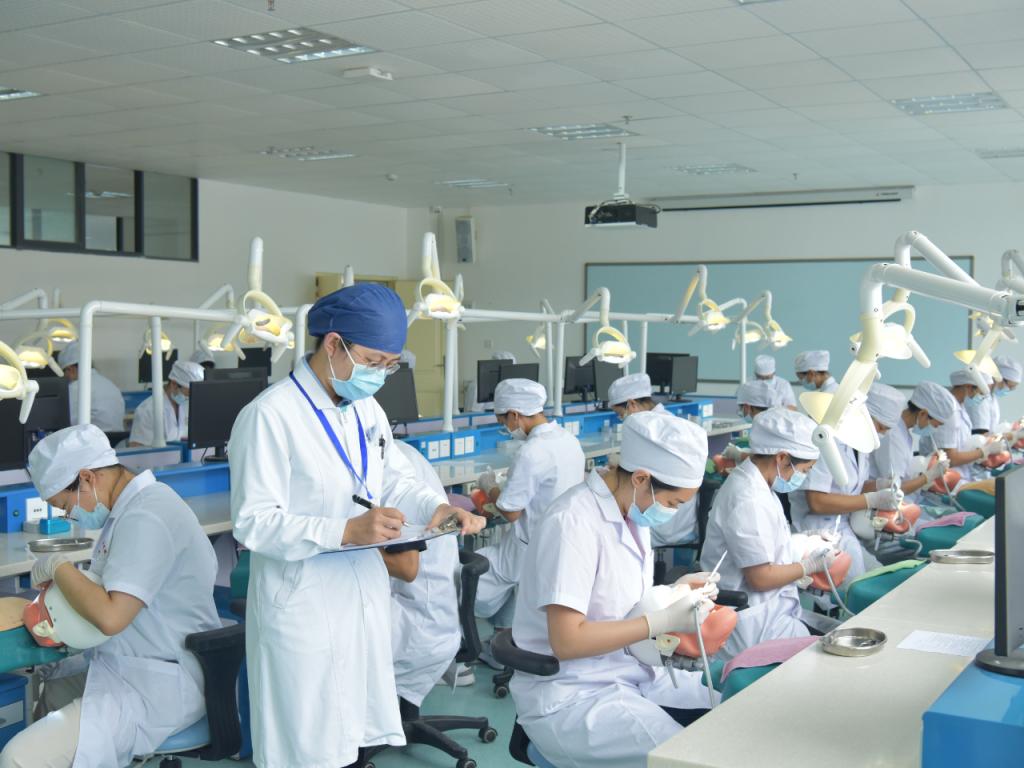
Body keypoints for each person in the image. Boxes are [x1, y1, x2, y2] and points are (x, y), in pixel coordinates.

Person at [228, 283, 484, 768]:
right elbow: (253, 523)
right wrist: (345, 531)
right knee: (306, 748)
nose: (380, 375)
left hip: (361, 597)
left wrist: (435, 506)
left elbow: (394, 478)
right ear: (333, 344)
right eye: (372, 361)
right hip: (301, 604)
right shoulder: (269, 416)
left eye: (390, 364)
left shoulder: (365, 408)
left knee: (352, 743)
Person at [0, 425, 219, 768]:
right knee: (53, 686)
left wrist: (59, 567)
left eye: (64, 505)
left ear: (87, 478)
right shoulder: (130, 511)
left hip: (157, 685)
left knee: (17, 757)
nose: (69, 515)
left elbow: (111, 617)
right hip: (131, 662)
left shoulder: (147, 516)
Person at [510, 410, 716, 768]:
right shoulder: (572, 522)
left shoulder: (631, 513)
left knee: (728, 712)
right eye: (672, 504)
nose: (671, 512)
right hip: (573, 696)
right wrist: (661, 620)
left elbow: (616, 603)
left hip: (628, 674)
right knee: (687, 760)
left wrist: (674, 593)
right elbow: (568, 641)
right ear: (641, 478)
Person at [700, 408, 837, 661]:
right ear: (782, 458)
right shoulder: (748, 497)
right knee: (832, 650)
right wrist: (809, 566)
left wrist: (806, 538)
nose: (803, 477)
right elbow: (760, 578)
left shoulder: (761, 484)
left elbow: (766, 545)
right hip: (753, 623)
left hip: (771, 610)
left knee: (833, 631)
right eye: (804, 470)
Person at [475, 379, 585, 663]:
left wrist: (490, 487)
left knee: (462, 574)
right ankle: (505, 641)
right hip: (561, 543)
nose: (505, 427)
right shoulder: (568, 440)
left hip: (528, 548)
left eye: (503, 420)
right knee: (520, 592)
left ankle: (468, 651)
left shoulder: (532, 451)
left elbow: (511, 511)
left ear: (514, 415)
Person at [388, 440, 463, 701]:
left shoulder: (391, 466)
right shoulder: (405, 452)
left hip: (419, 622)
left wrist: (341, 539)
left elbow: (406, 567)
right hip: (437, 612)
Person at [787, 414, 894, 581]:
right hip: (819, 528)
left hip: (843, 527)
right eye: (880, 427)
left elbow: (853, 488)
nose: (882, 434)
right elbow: (817, 502)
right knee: (861, 584)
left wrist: (880, 485)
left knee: (879, 573)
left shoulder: (860, 446)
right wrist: (871, 500)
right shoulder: (826, 441)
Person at [866, 382, 955, 501]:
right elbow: (894, 487)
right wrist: (928, 477)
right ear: (923, 414)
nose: (935, 430)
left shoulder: (903, 432)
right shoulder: (893, 436)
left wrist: (927, 464)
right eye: (936, 425)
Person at [932, 370, 1009, 482]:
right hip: (948, 481)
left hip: (963, 476)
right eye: (981, 394)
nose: (982, 399)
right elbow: (950, 459)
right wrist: (984, 451)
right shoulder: (949, 412)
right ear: (968, 387)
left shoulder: (961, 408)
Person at [127, 360, 203, 447]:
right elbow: (136, 447)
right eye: (189, 392)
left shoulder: (187, 406)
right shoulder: (148, 410)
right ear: (174, 384)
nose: (190, 397)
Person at [59, 341, 125, 433]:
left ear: (71, 369)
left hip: (90, 440)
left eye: (64, 372)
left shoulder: (76, 388)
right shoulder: (110, 385)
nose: (65, 377)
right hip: (115, 441)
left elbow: (64, 423)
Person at [965, 355, 1022, 434]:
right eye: (1010, 386)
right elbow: (980, 433)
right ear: (998, 378)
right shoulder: (980, 398)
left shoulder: (992, 397)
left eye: (1012, 388)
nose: (1008, 390)